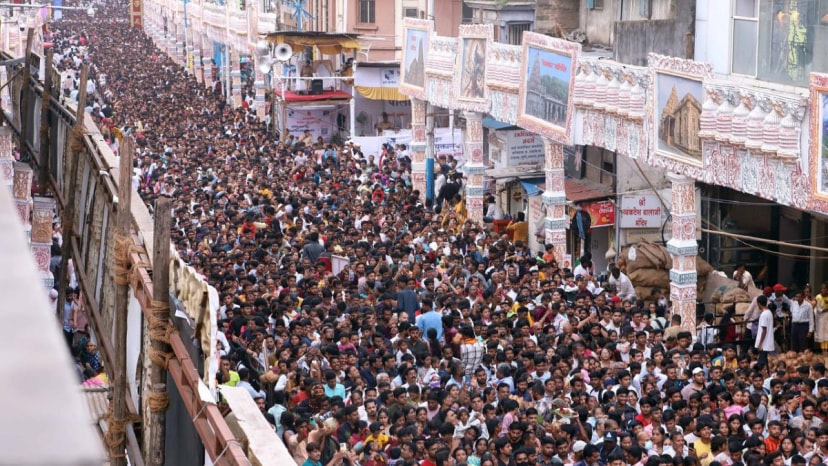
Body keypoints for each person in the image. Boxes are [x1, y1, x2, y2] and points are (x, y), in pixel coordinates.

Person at [755, 295, 775, 367]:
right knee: (764, 360)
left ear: (759, 304)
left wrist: (760, 343)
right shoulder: (769, 312)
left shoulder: (763, 314)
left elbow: (764, 330)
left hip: (764, 343)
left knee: (762, 362)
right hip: (767, 342)